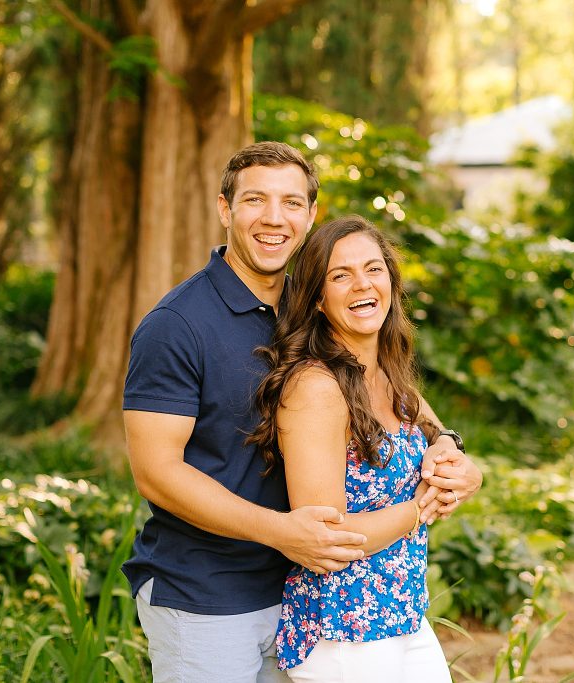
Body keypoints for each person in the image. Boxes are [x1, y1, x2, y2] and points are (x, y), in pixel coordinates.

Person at [123, 142, 481, 683]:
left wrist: (448, 445)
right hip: (208, 592)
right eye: (255, 200)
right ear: (225, 209)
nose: (274, 218)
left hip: (301, 594)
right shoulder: (176, 325)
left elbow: (382, 384)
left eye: (292, 202)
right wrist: (281, 531)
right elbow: (156, 472)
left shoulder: (314, 300)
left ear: (310, 215)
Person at [250, 215, 452, 682]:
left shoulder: (385, 371)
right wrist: (422, 508)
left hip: (403, 614)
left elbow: (433, 429)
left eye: (373, 268)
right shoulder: (316, 387)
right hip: (344, 632)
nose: (362, 284)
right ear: (318, 299)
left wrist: (455, 454)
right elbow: (327, 537)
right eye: (340, 275)